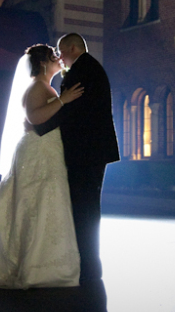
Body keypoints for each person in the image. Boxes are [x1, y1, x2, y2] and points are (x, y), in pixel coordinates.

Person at [0, 44, 84, 288]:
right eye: (53, 56)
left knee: (47, 202)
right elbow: (35, 117)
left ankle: (47, 262)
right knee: (35, 203)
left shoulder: (44, 86)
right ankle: (33, 266)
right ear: (42, 64)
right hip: (37, 151)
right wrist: (63, 100)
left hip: (47, 150)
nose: (59, 59)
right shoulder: (36, 87)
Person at [34, 33, 119, 282]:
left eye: (61, 51)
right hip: (91, 150)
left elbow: (71, 112)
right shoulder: (90, 68)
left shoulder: (82, 71)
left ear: (73, 47)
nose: (60, 57)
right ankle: (90, 264)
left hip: (85, 151)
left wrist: (39, 128)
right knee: (87, 208)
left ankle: (88, 267)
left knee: (84, 209)